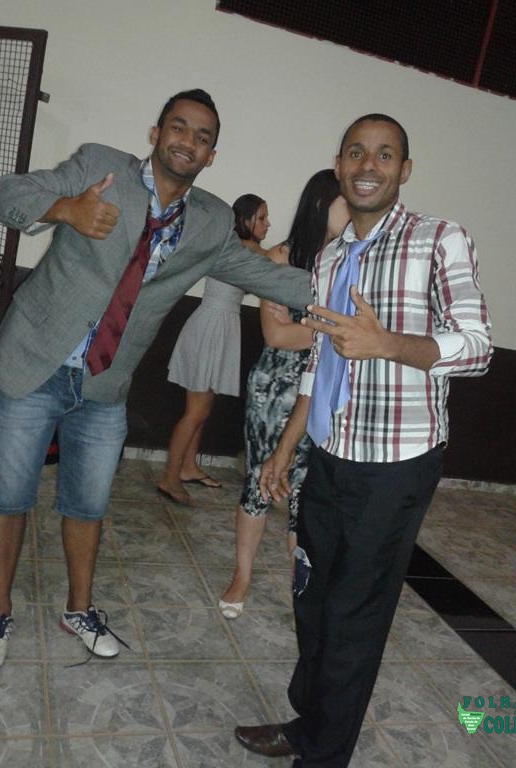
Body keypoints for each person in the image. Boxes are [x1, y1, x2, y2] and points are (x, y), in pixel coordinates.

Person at [0, 88, 312, 672]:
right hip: (34, 362)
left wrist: (352, 295)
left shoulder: (210, 221)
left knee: (87, 506)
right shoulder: (100, 167)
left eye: (202, 137)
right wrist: (65, 209)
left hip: (104, 386)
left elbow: (267, 276)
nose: (188, 141)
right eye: (178, 127)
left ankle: (79, 610)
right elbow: (3, 194)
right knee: (6, 499)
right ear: (156, 134)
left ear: (211, 155)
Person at [234, 114, 492, 767]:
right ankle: (309, 723)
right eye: (356, 152)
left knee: (354, 614)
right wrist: (287, 446)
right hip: (328, 454)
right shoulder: (329, 258)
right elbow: (321, 359)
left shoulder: (439, 240)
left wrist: (388, 345)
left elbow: (478, 348)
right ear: (340, 164)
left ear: (404, 169)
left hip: (395, 466)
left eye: (384, 154)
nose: (368, 165)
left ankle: (322, 754)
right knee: (311, 596)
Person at [219, 171, 349, 619]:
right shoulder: (280, 258)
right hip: (275, 391)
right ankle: (242, 575)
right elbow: (276, 335)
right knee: (260, 480)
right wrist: (334, 330)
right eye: (344, 201)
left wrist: (315, 329)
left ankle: (302, 583)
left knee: (306, 494)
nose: (353, 210)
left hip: (324, 392)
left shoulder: (349, 262)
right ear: (321, 204)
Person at [158, 194, 270, 506]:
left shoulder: (236, 246)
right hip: (213, 326)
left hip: (217, 323)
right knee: (195, 411)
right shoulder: (244, 246)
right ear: (245, 219)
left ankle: (188, 467)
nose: (267, 224)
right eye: (262, 218)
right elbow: (277, 260)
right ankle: (169, 477)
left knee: (202, 409)